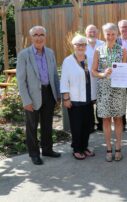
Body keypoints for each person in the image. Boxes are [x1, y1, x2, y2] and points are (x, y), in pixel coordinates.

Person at [16, 25, 61, 165]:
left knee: (47, 124)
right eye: (35, 35)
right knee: (32, 126)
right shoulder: (24, 55)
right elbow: (21, 80)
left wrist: (57, 95)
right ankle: (34, 154)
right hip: (32, 95)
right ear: (31, 37)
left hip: (48, 93)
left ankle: (47, 149)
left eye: (41, 34)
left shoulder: (50, 53)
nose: (39, 37)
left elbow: (54, 75)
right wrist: (26, 100)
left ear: (45, 37)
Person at [92, 23, 127, 162]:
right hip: (104, 90)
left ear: (117, 35)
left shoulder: (122, 50)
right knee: (106, 120)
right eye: (108, 34)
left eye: (113, 34)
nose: (111, 36)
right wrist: (103, 74)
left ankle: (118, 147)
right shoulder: (98, 51)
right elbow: (93, 71)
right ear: (104, 35)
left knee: (118, 119)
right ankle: (108, 148)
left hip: (119, 90)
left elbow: (125, 71)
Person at [60, 34, 95, 160]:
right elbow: (64, 80)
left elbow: (94, 76)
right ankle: (77, 149)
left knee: (87, 125)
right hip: (74, 99)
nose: (81, 47)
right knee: (77, 126)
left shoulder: (89, 59)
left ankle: (84, 147)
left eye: (83, 44)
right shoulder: (68, 61)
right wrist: (66, 98)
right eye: (78, 44)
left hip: (88, 98)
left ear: (86, 46)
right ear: (73, 46)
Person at [85, 24, 104, 131]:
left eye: (94, 31)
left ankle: (101, 124)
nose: (92, 33)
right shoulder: (83, 45)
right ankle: (90, 125)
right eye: (89, 31)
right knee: (89, 102)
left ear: (97, 32)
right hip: (87, 78)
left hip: (100, 76)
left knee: (100, 101)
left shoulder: (102, 44)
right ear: (86, 33)